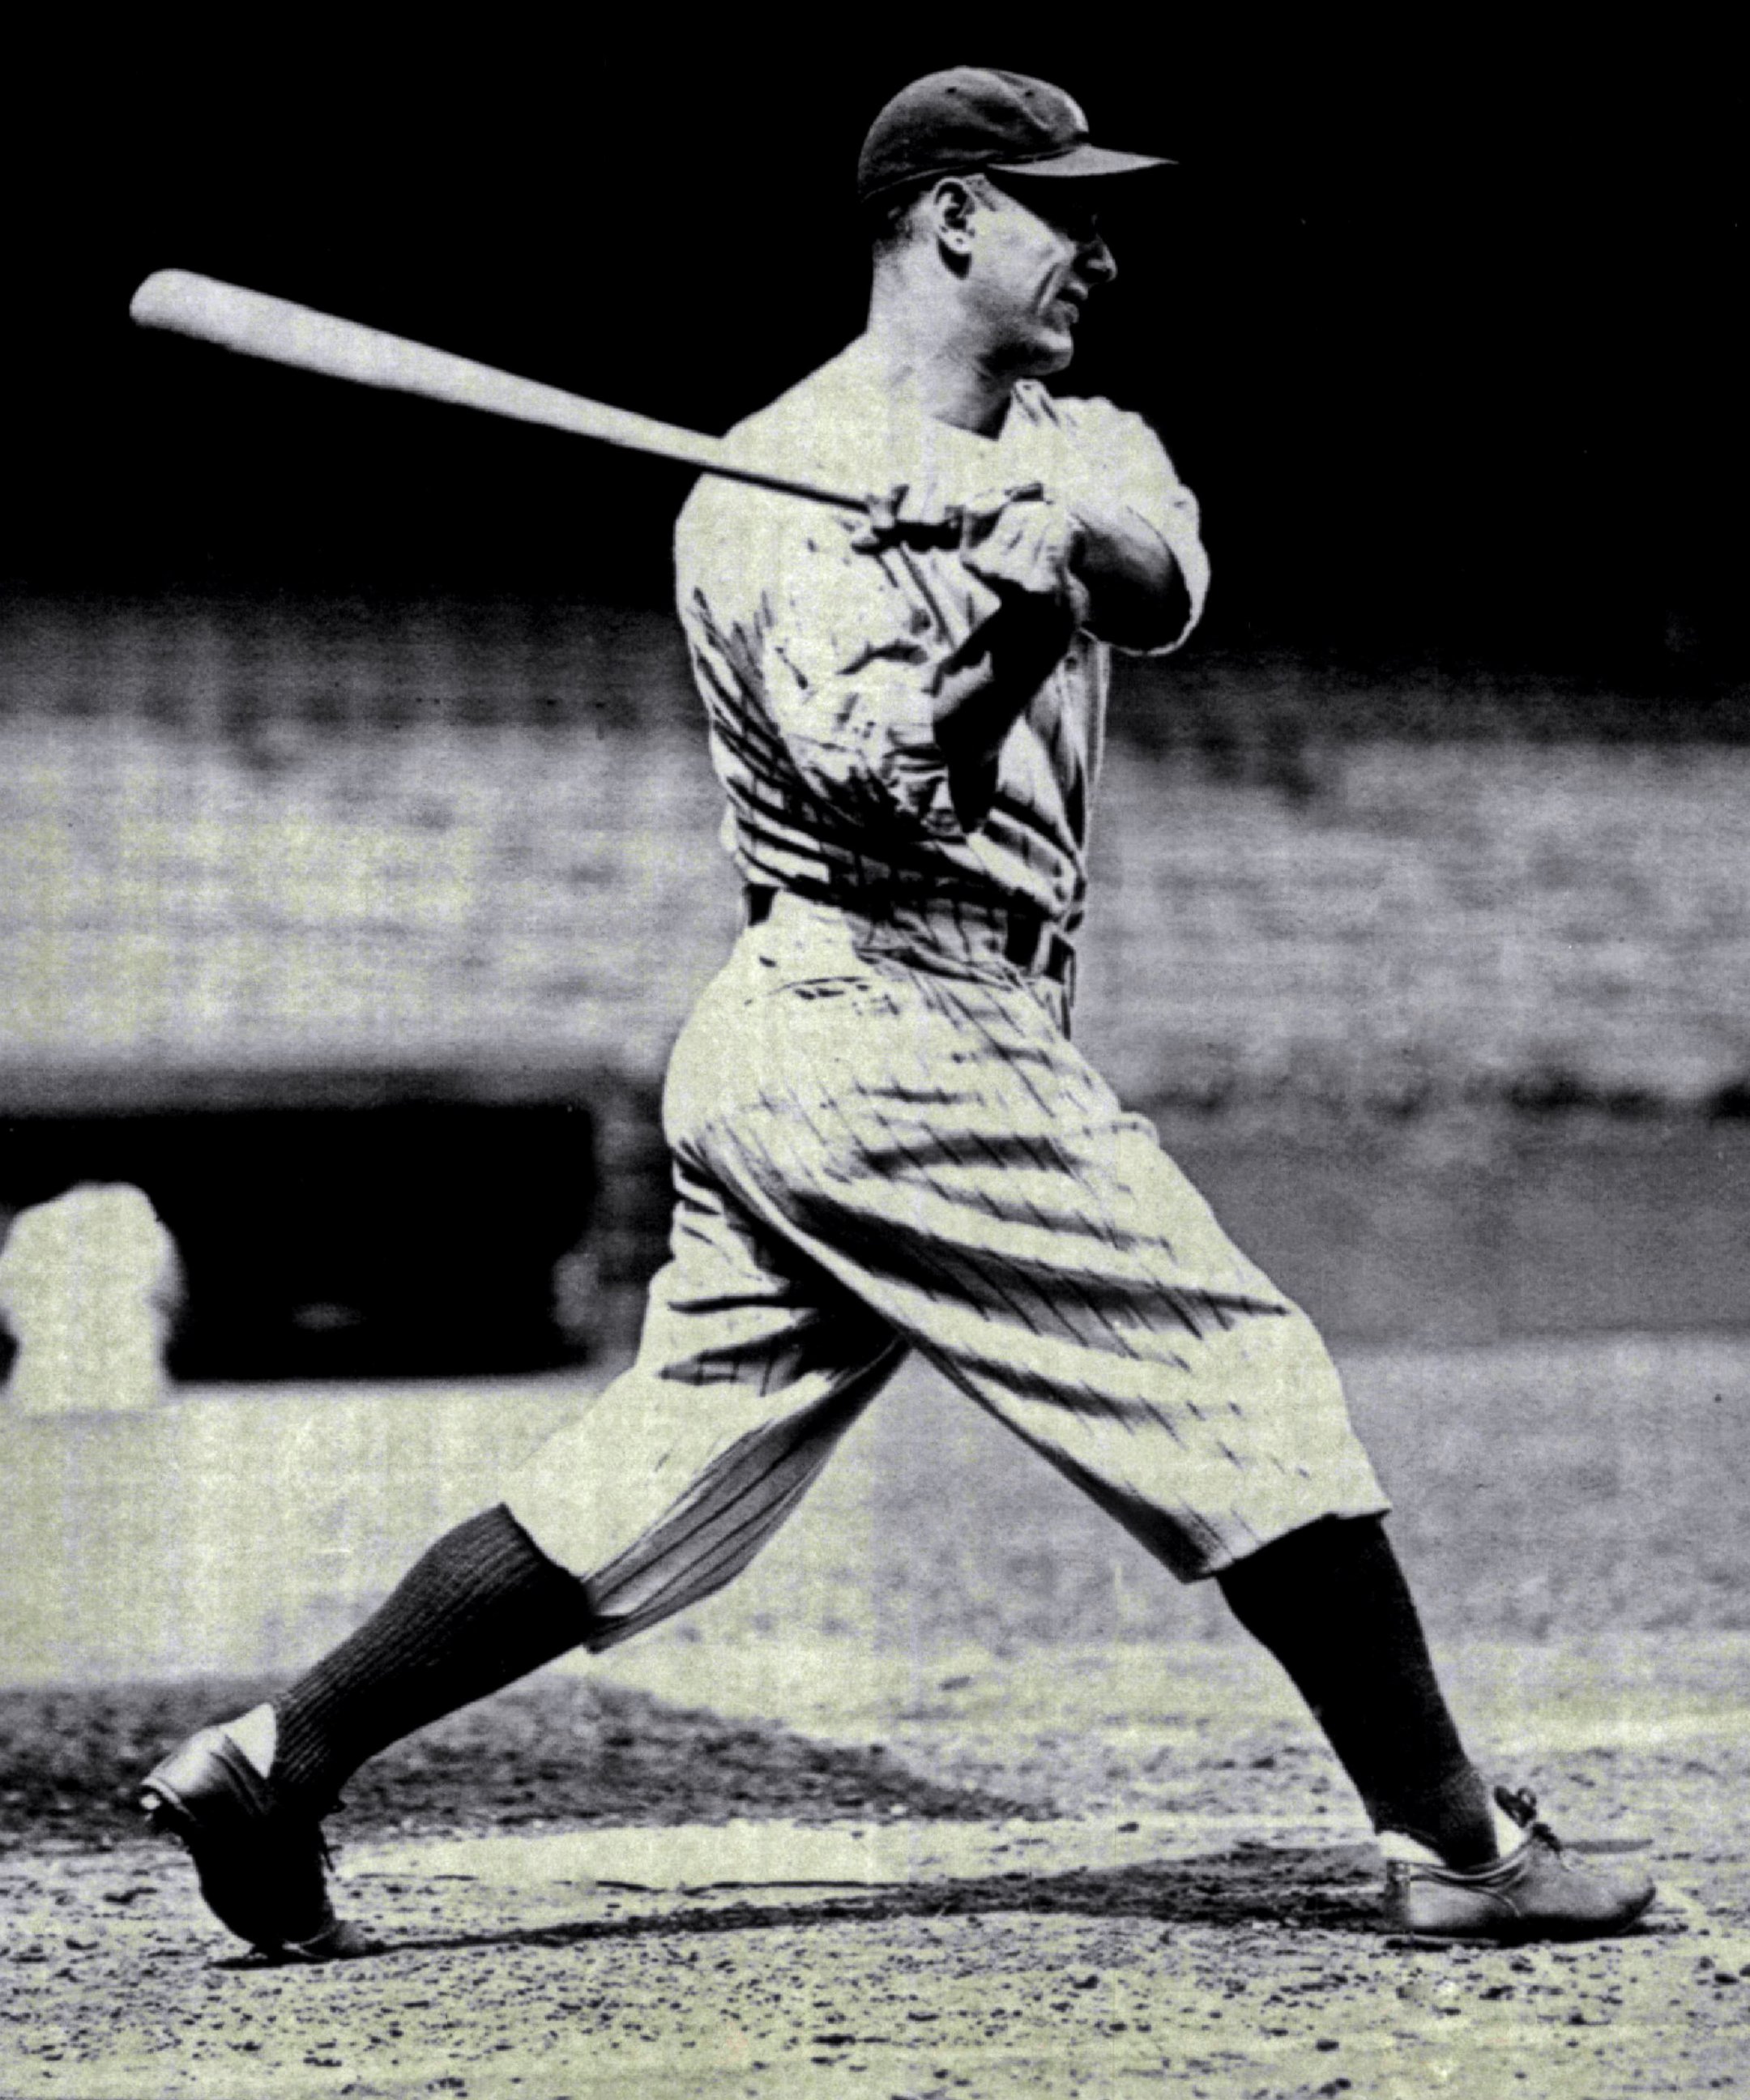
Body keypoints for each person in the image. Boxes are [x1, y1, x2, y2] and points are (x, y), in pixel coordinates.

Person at [141, 66, 1654, 1958]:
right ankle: (1460, 1851)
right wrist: (988, 630)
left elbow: (1165, 577)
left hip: (875, 1042)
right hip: (876, 1002)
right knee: (1244, 1381)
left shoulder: (1083, 433)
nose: (1100, 248)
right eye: (1057, 211)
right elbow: (877, 789)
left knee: (655, 1475)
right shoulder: (765, 498)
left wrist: (1036, 543)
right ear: (951, 219)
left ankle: (280, 1762)